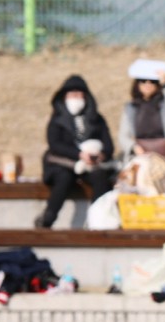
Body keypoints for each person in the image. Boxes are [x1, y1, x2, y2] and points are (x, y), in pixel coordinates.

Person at [35, 75, 115, 229]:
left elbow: (109, 145)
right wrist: (79, 154)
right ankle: (48, 218)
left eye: (79, 95)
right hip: (63, 163)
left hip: (91, 165)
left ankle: (97, 220)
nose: (76, 98)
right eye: (72, 95)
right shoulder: (57, 119)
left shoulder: (96, 119)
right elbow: (55, 144)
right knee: (64, 178)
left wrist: (99, 155)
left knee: (100, 177)